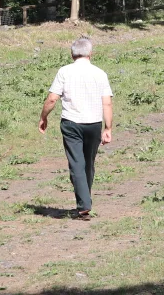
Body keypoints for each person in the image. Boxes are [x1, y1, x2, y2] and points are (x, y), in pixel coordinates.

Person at [39, 37, 113, 220]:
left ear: (72, 54)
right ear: (91, 54)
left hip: (71, 123)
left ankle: (83, 205)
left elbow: (52, 99)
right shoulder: (100, 73)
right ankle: (85, 201)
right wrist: (108, 127)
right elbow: (107, 103)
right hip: (94, 124)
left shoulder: (64, 72)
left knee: (76, 164)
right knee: (88, 163)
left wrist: (43, 117)